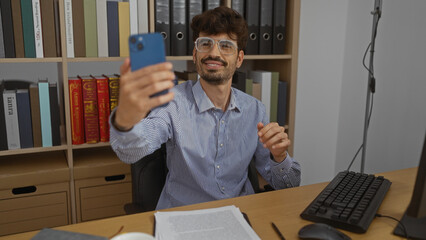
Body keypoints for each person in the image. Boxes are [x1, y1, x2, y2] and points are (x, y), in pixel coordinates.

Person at [110, 6, 301, 210]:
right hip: (183, 215)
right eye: (205, 44)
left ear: (239, 59)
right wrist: (125, 121)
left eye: (226, 45)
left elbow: (286, 185)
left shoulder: (255, 110)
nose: (213, 53)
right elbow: (129, 152)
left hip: (239, 215)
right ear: (195, 54)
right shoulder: (172, 102)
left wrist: (279, 157)